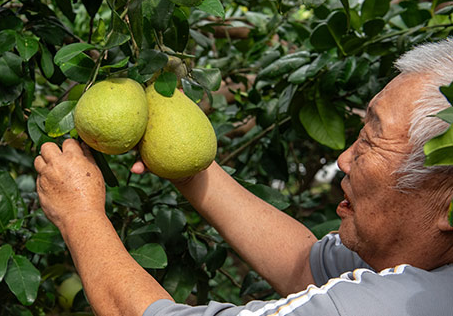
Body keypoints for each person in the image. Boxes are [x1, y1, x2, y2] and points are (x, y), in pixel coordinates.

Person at [34, 38, 453, 316]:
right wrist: (185, 164)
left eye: (371, 142)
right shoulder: (425, 266)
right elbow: (304, 266)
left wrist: (80, 214)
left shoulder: (394, 307)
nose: (344, 159)